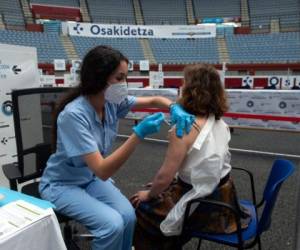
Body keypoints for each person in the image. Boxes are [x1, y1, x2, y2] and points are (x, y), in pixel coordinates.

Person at [39, 45, 195, 250]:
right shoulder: (74, 115)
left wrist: (173, 107)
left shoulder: (111, 102)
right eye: (119, 78)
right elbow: (103, 170)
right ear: (99, 78)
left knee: (129, 215)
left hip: (89, 179)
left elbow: (155, 99)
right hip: (62, 185)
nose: (125, 84)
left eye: (126, 77)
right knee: (111, 225)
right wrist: (139, 133)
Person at [131, 64, 250, 250]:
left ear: (191, 90)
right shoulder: (219, 121)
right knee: (156, 192)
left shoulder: (183, 129)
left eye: (184, 84)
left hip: (202, 205)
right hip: (225, 201)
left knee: (139, 206)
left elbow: (164, 177)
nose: (181, 87)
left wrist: (149, 194)